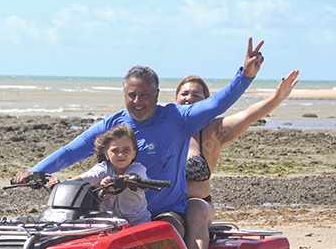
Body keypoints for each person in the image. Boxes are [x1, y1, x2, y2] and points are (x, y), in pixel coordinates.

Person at [14, 37, 265, 236]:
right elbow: (73, 150)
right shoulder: (113, 124)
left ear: (156, 95)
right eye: (132, 95)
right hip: (118, 216)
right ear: (125, 95)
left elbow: (218, 104)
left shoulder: (177, 118)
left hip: (165, 213)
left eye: (144, 95)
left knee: (164, 245)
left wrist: (245, 76)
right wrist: (36, 171)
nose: (138, 101)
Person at [176, 69, 300, 249]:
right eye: (184, 94)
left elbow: (249, 115)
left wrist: (277, 97)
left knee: (196, 211)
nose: (189, 98)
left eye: (196, 95)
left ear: (206, 102)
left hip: (198, 206)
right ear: (175, 99)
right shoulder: (163, 130)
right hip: (165, 204)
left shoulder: (214, 131)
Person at [67, 125, 151, 225]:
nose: (120, 154)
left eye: (126, 150)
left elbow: (134, 177)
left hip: (137, 223)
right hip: (108, 224)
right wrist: (62, 184)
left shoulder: (138, 168)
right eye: (115, 150)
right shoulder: (103, 169)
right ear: (106, 154)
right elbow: (84, 178)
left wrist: (118, 180)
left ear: (134, 153)